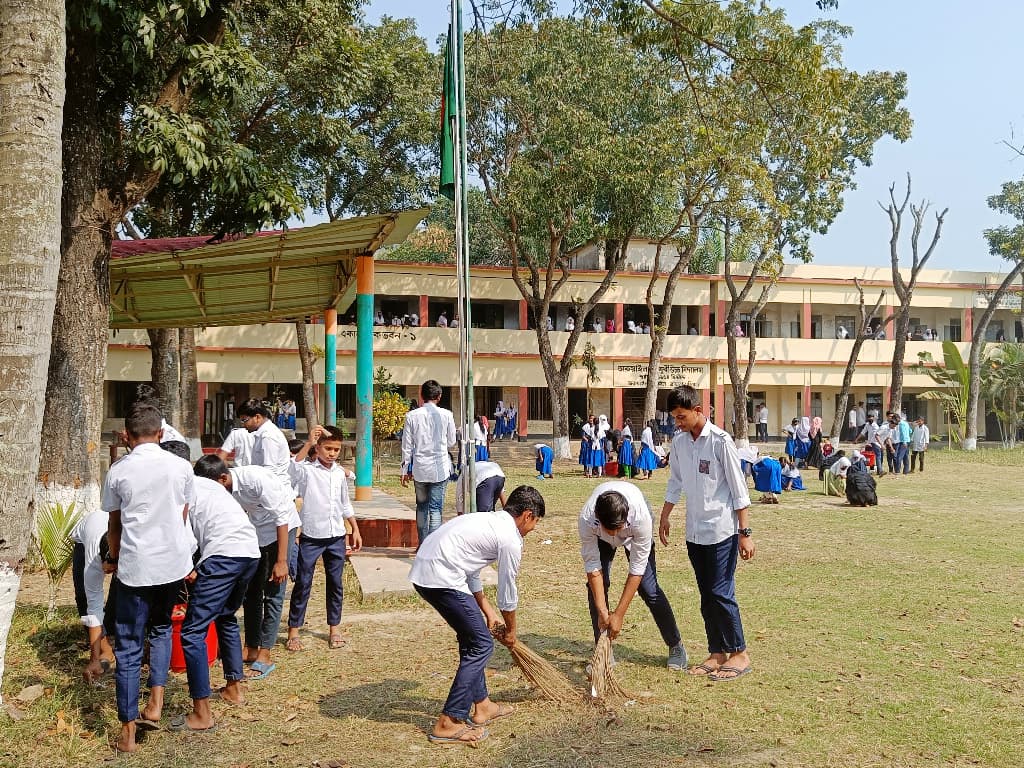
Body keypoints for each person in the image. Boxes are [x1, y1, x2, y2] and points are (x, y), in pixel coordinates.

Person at [409, 486, 546, 746]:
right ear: (527, 515)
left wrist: (488, 611)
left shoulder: (488, 520)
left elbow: (471, 569)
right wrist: (512, 631)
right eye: (536, 522)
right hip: (440, 577)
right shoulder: (510, 538)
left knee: (472, 639)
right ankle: (449, 722)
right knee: (481, 644)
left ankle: (483, 707)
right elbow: (508, 591)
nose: (533, 529)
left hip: (428, 571)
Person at [102, 402, 196, 752]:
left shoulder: (119, 470)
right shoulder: (180, 466)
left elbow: (115, 525)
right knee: (160, 631)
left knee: (128, 647)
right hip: (171, 564)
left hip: (136, 566)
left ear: (126, 436)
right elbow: (183, 515)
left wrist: (112, 557)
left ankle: (127, 733)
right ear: (160, 433)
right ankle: (155, 703)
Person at [658, 385, 754, 681]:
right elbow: (675, 481)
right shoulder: (680, 443)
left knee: (721, 592)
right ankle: (717, 652)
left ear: (698, 410)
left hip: (721, 530)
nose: (678, 422)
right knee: (705, 594)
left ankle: (739, 652)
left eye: (682, 416)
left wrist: (745, 531)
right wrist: (665, 515)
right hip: (695, 532)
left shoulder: (721, 442)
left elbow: (739, 489)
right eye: (674, 417)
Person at [171, 471, 261, 734]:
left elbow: (185, 537)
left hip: (223, 556)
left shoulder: (179, 488)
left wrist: (187, 567)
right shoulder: (212, 487)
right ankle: (233, 688)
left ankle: (202, 714)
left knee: (192, 633)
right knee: (226, 617)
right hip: (249, 552)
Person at [194, 455, 296, 682]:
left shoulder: (256, 480)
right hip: (255, 536)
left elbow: (282, 518)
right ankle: (250, 646)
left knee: (273, 593)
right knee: (251, 593)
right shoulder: (221, 489)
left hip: (280, 533)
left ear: (223, 478)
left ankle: (265, 654)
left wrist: (281, 561)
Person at [579, 482, 687, 669]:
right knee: (597, 589)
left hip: (636, 534)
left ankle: (675, 645)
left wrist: (619, 614)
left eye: (619, 528)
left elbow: (637, 569)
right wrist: (603, 612)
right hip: (600, 539)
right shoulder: (587, 519)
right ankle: (603, 651)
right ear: (597, 517)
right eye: (611, 530)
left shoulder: (641, 517)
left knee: (649, 588)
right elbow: (593, 568)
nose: (616, 534)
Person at [285, 426, 363, 652]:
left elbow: (344, 504)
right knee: (303, 583)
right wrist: (308, 441)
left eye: (336, 449)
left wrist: (354, 529)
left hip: (336, 537)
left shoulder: (339, 473)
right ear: (318, 448)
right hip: (311, 536)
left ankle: (334, 629)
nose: (332, 453)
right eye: (327, 448)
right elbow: (292, 468)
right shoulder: (308, 471)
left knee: (336, 583)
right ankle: (294, 630)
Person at [401, 380, 457, 545]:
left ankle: (422, 544)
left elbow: (407, 445)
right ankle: (432, 547)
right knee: (436, 508)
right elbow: (452, 441)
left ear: (421, 396)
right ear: (439, 397)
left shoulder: (411, 416)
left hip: (420, 469)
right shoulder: (447, 415)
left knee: (422, 508)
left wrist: (404, 470)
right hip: (440, 468)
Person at [71, 509, 115, 683]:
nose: (110, 573)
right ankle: (105, 650)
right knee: (83, 597)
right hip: (84, 539)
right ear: (101, 560)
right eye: (109, 568)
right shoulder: (92, 557)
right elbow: (93, 606)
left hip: (115, 537)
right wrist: (94, 659)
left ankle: (115, 640)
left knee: (123, 594)